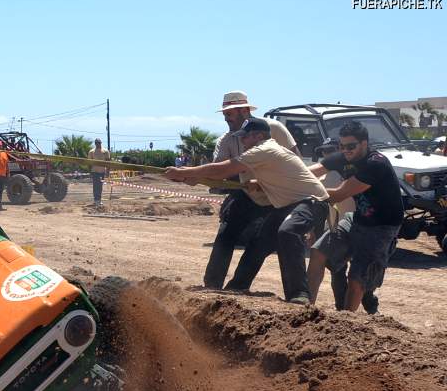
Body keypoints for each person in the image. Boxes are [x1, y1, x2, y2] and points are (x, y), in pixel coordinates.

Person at [165, 117, 329, 304]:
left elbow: (225, 169)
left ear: (259, 135)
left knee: (287, 232)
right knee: (260, 243)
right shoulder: (267, 152)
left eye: (245, 137)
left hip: (312, 201)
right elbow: (279, 175)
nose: (242, 141)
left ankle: (299, 295)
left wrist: (184, 172)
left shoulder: (264, 149)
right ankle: (238, 286)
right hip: (289, 204)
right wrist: (197, 177)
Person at [203, 91, 300, 290]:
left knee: (262, 242)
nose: (225, 117)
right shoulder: (227, 140)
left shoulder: (275, 129)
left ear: (245, 111)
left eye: (229, 113)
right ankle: (212, 285)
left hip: (276, 196)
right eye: (225, 113)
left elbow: (295, 160)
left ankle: (238, 285)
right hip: (247, 194)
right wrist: (196, 177)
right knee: (226, 235)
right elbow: (219, 170)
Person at [306, 120, 403, 312]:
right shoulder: (343, 157)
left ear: (364, 144)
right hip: (357, 218)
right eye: (342, 146)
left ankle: (346, 323)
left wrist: (305, 191)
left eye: (351, 146)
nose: (345, 151)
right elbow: (309, 174)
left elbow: (340, 193)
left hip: (381, 227)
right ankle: (307, 308)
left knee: (357, 279)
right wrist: (280, 183)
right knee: (319, 252)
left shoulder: (376, 164)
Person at [87, 138, 110, 209]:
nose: (98, 144)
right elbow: (89, 163)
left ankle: (99, 200)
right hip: (94, 171)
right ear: (95, 143)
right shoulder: (91, 152)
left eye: (99, 143)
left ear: (101, 143)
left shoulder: (105, 151)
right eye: (96, 143)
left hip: (102, 172)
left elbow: (108, 163)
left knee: (100, 186)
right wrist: (90, 171)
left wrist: (107, 172)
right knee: (95, 186)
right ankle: (95, 200)